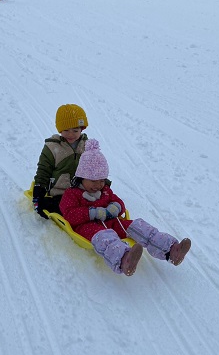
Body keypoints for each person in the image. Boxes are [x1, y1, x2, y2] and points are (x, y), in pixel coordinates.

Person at [59, 140, 191, 276]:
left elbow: (119, 203)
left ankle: (172, 250)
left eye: (102, 180)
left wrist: (115, 208)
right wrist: (92, 213)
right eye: (93, 180)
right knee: (106, 238)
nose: (98, 185)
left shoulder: (105, 191)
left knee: (139, 226)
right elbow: (69, 214)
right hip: (89, 228)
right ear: (81, 177)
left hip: (112, 222)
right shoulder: (72, 193)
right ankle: (125, 260)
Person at [33, 104, 89, 217]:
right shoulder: (52, 147)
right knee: (60, 208)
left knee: (94, 204)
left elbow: (96, 169)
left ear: (81, 129)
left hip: (82, 192)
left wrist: (103, 185)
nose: (71, 134)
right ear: (60, 130)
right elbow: (44, 170)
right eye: (66, 130)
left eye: (75, 130)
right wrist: (39, 190)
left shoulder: (88, 146)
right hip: (60, 193)